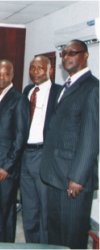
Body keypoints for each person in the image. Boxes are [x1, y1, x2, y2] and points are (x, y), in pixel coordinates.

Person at [40, 39, 99, 249]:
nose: (66, 57)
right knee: (55, 232)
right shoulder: (66, 86)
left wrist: (77, 177)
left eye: (73, 53)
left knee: (72, 237)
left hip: (73, 179)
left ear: (85, 56)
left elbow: (91, 138)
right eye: (64, 54)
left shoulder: (92, 88)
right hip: (56, 175)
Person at [0, 60, 29, 243]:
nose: (1, 77)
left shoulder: (19, 100)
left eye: (5, 74)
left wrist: (6, 167)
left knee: (7, 210)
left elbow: (20, 138)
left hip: (4, 170)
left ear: (12, 76)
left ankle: (8, 245)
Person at [20, 56, 61, 244]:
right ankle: (31, 245)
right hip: (25, 155)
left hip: (44, 155)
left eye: (40, 68)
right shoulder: (27, 91)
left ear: (50, 71)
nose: (35, 71)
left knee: (45, 209)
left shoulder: (59, 93)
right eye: (32, 68)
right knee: (29, 208)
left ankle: (45, 246)